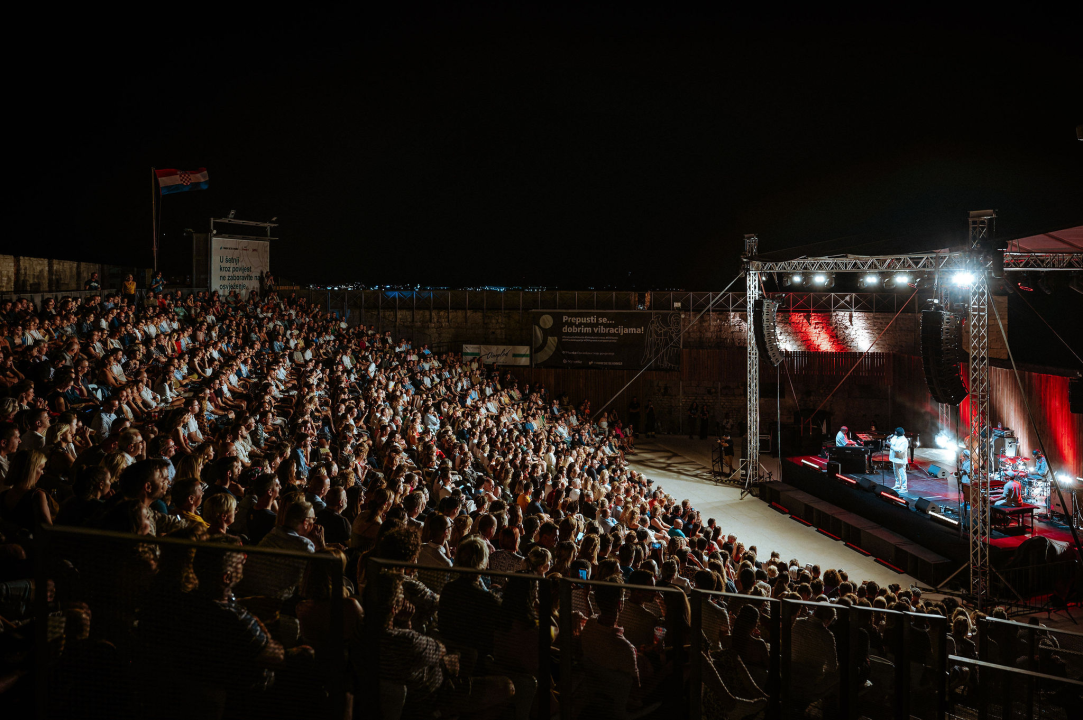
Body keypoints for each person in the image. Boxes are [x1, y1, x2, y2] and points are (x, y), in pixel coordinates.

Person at [888, 427, 910, 493]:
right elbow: (891, 443)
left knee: (902, 473)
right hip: (894, 458)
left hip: (900, 460)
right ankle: (898, 485)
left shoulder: (904, 441)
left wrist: (891, 446)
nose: (894, 433)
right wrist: (889, 440)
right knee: (896, 472)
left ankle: (904, 487)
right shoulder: (895, 437)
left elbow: (900, 450)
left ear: (898, 433)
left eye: (896, 432)